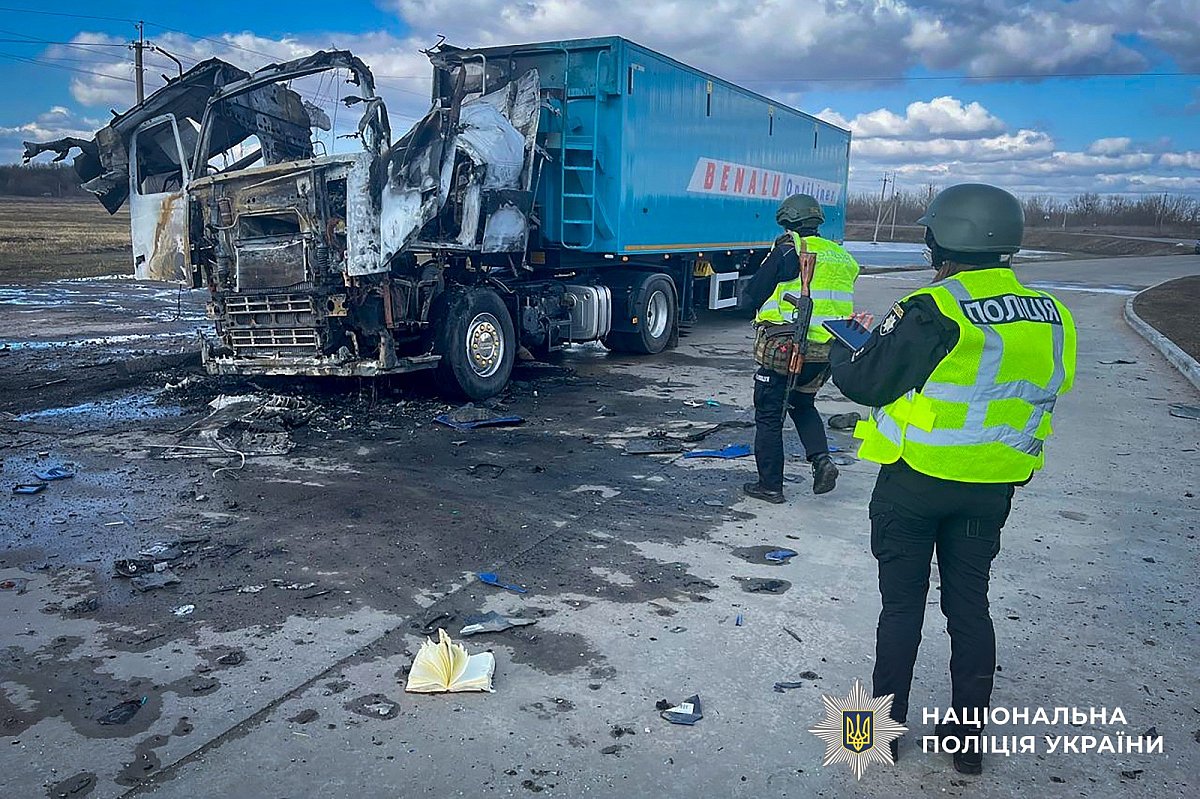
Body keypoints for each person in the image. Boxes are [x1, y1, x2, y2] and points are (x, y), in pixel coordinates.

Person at [829, 183, 1077, 774]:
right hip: (991, 487)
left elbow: (866, 383)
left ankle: (876, 737)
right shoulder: (1053, 313)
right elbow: (1051, 385)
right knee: (970, 608)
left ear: (943, 239)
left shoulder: (933, 307)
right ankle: (966, 745)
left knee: (901, 610)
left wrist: (847, 346)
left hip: (916, 483)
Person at [739, 193, 860, 504]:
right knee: (802, 405)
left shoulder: (789, 249)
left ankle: (770, 486)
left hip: (788, 347)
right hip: (827, 349)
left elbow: (753, 294)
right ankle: (822, 460)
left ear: (787, 220)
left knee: (769, 416)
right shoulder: (841, 256)